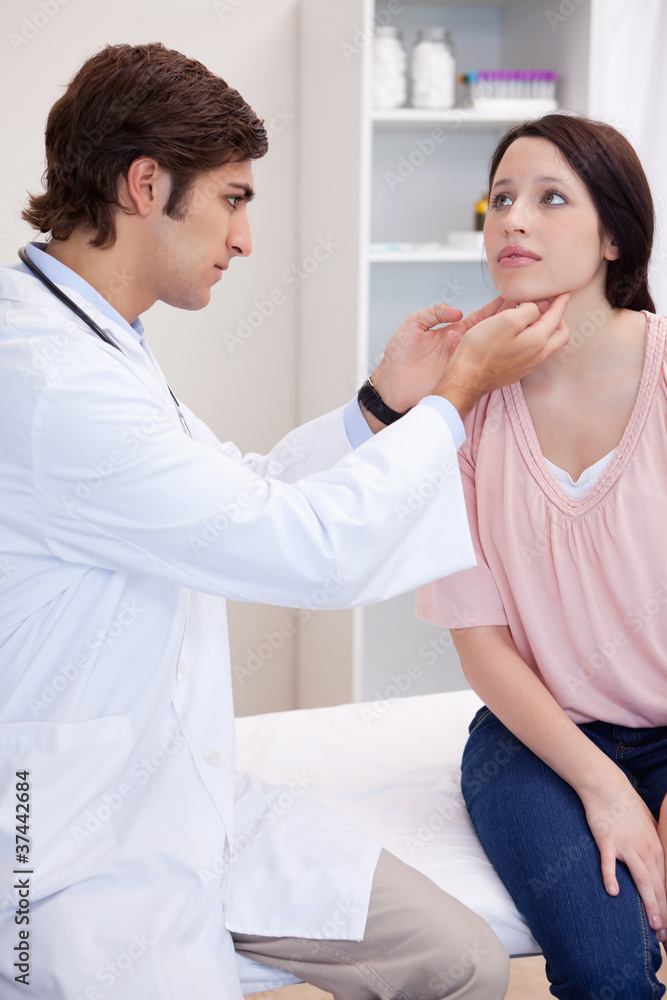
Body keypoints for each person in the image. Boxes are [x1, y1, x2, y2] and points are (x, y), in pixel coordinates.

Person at [0, 44, 569, 1000]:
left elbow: (243, 494)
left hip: (190, 794)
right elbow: (307, 553)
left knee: (462, 961)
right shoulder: (51, 383)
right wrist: (456, 401)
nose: (246, 238)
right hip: (75, 844)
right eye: (232, 198)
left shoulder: (99, 342)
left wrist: (383, 407)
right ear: (147, 184)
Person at [417, 112, 667, 999]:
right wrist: (606, 788)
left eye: (549, 198)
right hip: (534, 739)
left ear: (612, 235)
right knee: (609, 974)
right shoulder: (460, 409)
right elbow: (480, 644)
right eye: (501, 200)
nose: (512, 220)